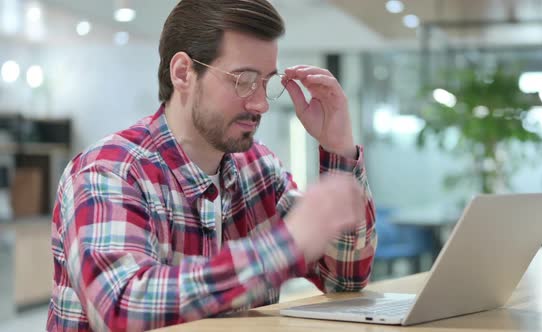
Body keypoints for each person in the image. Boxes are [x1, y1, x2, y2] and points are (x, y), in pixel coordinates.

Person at [46, 0, 376, 331]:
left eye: (265, 82)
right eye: (243, 79)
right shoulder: (108, 171)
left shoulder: (259, 168)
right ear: (183, 73)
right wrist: (282, 247)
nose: (260, 103)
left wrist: (338, 147)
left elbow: (344, 278)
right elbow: (121, 309)